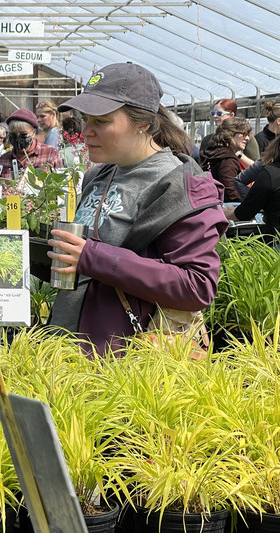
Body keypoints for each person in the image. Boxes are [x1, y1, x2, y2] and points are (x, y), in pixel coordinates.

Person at [47, 62, 227, 356]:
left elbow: (197, 286)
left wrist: (92, 257)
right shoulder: (99, 175)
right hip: (67, 348)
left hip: (124, 362)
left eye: (101, 121)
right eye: (85, 120)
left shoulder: (178, 184)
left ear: (143, 123)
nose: (86, 132)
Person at [0, 109, 63, 183]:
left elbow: (61, 183)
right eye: (13, 135)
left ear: (33, 133)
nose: (18, 139)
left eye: (23, 135)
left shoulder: (50, 153)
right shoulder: (4, 160)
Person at [199, 117, 252, 202]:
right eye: (244, 134)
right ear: (231, 133)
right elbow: (230, 193)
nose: (247, 138)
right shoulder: (227, 159)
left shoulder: (211, 152)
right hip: (225, 207)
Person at [199, 98, 259, 166]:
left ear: (231, 115)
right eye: (213, 113)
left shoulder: (245, 137)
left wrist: (238, 154)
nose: (215, 116)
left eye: (219, 113)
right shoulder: (208, 140)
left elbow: (256, 165)